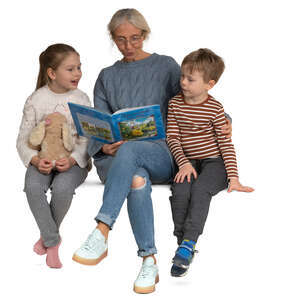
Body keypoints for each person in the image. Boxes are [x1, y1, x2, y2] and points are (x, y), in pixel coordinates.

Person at [72, 9, 231, 293]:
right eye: (121, 40)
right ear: (112, 39)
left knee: (133, 150)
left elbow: (195, 97)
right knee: (136, 180)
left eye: (135, 38)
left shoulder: (167, 66)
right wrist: (104, 144)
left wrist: (225, 120)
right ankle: (149, 260)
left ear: (144, 35)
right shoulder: (107, 76)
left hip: (162, 152)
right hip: (116, 156)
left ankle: (102, 229)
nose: (129, 46)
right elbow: (98, 122)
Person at [166, 48, 254, 277]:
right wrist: (183, 163)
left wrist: (233, 177)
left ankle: (188, 242)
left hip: (215, 162)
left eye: (190, 79)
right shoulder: (175, 104)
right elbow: (173, 137)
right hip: (187, 162)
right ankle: (183, 243)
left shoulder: (215, 109)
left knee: (200, 189)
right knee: (181, 190)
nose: (183, 82)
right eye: (182, 76)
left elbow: (225, 144)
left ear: (209, 84)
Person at [16, 43, 91, 268]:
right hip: (43, 160)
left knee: (62, 188)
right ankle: (53, 240)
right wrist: (36, 159)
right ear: (51, 73)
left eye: (79, 67)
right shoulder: (35, 100)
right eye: (70, 69)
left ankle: (47, 237)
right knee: (32, 187)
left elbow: (87, 139)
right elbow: (22, 139)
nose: (78, 73)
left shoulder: (82, 99)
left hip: (74, 162)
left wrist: (73, 159)